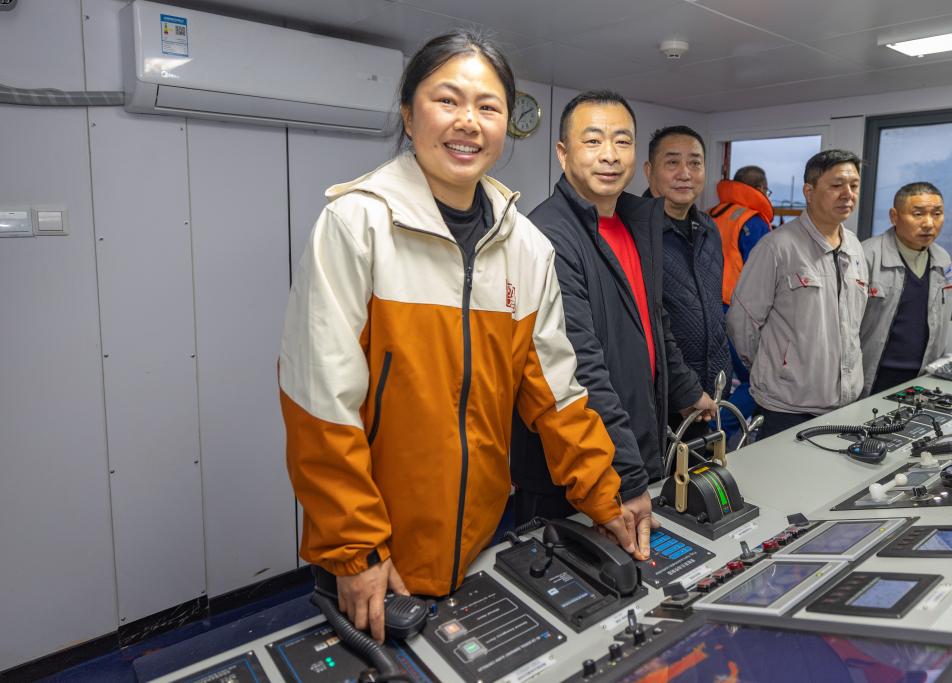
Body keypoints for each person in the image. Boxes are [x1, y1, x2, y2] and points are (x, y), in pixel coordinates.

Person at [278, 33, 634, 642]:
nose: (468, 121)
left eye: (488, 107)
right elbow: (320, 404)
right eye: (447, 100)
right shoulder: (357, 224)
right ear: (408, 114)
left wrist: (607, 497)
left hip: (481, 538)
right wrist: (356, 551)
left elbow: (558, 395)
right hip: (377, 552)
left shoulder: (526, 247)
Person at [511, 91, 715, 557]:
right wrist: (624, 478)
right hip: (573, 469)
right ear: (563, 153)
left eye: (622, 141)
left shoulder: (637, 221)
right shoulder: (547, 235)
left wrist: (685, 389)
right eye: (593, 141)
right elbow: (580, 368)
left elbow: (653, 320)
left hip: (633, 447)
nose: (609, 155)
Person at [727, 150, 869, 439]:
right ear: (809, 191)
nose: (848, 194)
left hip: (845, 404)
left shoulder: (855, 247)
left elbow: (855, 323)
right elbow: (741, 322)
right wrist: (776, 367)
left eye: (854, 185)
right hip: (787, 408)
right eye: (836, 185)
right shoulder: (777, 247)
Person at [643, 126, 732, 402]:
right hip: (662, 396)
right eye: (672, 163)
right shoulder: (635, 231)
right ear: (649, 170)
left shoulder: (709, 228)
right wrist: (684, 390)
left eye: (695, 163)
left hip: (714, 390)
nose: (685, 174)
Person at [860, 182, 952, 395]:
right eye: (918, 214)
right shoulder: (866, 256)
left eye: (937, 214)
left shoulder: (943, 259)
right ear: (894, 216)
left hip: (923, 378)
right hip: (873, 377)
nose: (929, 223)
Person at [710, 165, 775, 435]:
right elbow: (763, 276)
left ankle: (711, 430)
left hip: (708, 307)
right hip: (738, 310)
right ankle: (714, 432)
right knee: (758, 381)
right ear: (759, 189)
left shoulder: (713, 213)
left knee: (718, 381)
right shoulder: (753, 221)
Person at [710, 165, 774, 307]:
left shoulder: (710, 214)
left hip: (704, 297)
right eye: (767, 191)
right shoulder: (754, 222)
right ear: (760, 189)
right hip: (734, 304)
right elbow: (762, 273)